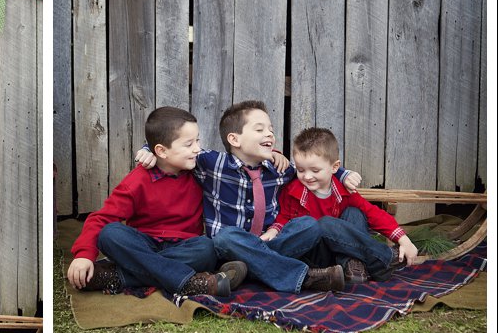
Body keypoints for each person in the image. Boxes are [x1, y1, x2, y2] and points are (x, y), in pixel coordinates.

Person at [137, 101, 360, 293]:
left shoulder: (279, 168)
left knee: (309, 226)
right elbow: (174, 146)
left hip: (270, 241)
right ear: (234, 139)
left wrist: (342, 173)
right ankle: (304, 277)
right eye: (260, 129)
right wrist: (148, 148)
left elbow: (313, 165)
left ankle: (251, 269)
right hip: (229, 247)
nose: (270, 134)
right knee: (226, 237)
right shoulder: (212, 164)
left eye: (271, 129)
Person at [67, 106, 247, 300]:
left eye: (197, 140)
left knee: (207, 249)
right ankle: (190, 283)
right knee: (110, 234)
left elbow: (241, 160)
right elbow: (101, 219)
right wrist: (84, 255)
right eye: (188, 144)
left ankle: (116, 276)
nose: (197, 148)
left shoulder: (200, 170)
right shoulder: (138, 181)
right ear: (161, 151)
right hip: (144, 244)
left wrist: (273, 154)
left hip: (184, 246)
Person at [268, 127, 418, 281]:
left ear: (334, 167)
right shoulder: (293, 192)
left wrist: (403, 239)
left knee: (354, 212)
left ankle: (354, 268)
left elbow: (373, 213)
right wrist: (274, 230)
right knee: (323, 224)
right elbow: (284, 217)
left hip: (342, 251)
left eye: (315, 170)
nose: (307, 176)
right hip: (316, 254)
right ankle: (383, 257)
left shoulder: (343, 191)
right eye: (300, 170)